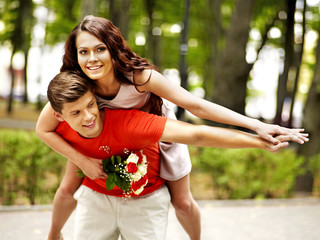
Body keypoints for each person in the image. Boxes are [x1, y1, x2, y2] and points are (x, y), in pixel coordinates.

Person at [36, 15, 308, 240]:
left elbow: (195, 107)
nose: (92, 59)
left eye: (99, 49)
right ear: (75, 55)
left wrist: (256, 126)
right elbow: (43, 129)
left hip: (155, 133)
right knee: (67, 189)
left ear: (112, 47)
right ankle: (54, 234)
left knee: (183, 203)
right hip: (100, 137)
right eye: (83, 52)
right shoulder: (78, 86)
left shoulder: (140, 77)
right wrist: (81, 158)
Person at [46, 71, 299, 240]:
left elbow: (197, 134)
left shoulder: (130, 117)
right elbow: (44, 136)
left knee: (184, 203)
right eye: (76, 113)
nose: (88, 117)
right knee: (67, 188)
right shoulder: (60, 129)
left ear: (97, 99)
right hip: (97, 199)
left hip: (146, 195)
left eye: (91, 106)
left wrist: (258, 140)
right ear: (60, 117)